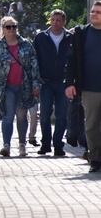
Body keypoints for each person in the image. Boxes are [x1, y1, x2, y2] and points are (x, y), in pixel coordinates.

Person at [0, 17, 40, 158]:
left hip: (24, 87)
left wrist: (36, 86)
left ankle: (22, 144)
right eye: (8, 27)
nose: (11, 29)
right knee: (8, 115)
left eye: (14, 26)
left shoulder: (26, 46)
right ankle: (6, 145)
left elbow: (34, 67)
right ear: (3, 29)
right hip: (6, 87)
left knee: (22, 116)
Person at [65, 1, 101, 172]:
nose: (94, 14)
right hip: (89, 88)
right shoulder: (82, 34)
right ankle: (95, 159)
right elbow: (71, 60)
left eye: (98, 12)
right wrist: (70, 83)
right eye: (93, 11)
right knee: (92, 125)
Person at [34, 10, 71, 156]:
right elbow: (34, 60)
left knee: (61, 116)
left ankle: (58, 145)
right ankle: (45, 144)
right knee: (44, 114)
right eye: (53, 20)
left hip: (63, 82)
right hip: (46, 82)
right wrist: (36, 79)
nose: (55, 23)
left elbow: (74, 60)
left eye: (58, 20)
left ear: (64, 22)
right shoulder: (41, 38)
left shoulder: (70, 38)